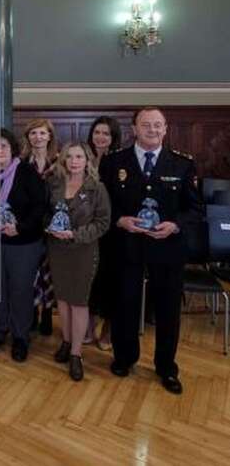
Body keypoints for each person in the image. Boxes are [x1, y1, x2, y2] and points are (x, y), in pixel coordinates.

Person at [100, 107, 201, 395]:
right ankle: (124, 358)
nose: (153, 130)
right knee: (124, 304)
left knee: (168, 310)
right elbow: (103, 205)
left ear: (166, 129)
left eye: (158, 125)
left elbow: (194, 209)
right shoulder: (113, 162)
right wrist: (119, 219)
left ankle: (166, 367)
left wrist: (175, 225)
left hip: (167, 248)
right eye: (146, 125)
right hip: (126, 245)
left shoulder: (182, 164)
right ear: (134, 128)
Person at [0, 129, 47, 362]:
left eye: (4, 146)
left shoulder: (26, 172)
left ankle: (20, 337)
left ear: (13, 149)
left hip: (23, 243)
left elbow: (40, 206)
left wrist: (21, 227)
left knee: (20, 290)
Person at [45, 142, 110, 381]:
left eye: (79, 157)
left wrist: (76, 234)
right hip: (57, 249)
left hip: (83, 250)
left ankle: (76, 354)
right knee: (62, 299)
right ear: (63, 160)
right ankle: (66, 340)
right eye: (69, 156)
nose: (74, 161)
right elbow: (46, 212)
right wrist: (49, 227)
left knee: (79, 301)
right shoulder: (54, 183)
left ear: (87, 160)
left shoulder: (97, 188)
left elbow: (103, 222)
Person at [86, 116, 122, 350]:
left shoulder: (120, 162)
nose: (100, 137)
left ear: (113, 138)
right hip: (86, 232)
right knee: (88, 282)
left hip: (112, 233)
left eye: (106, 134)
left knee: (110, 282)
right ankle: (87, 328)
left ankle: (108, 331)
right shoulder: (81, 157)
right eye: (97, 132)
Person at [20, 118, 59, 336]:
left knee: (49, 271)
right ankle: (33, 311)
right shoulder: (21, 162)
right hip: (30, 225)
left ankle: (47, 314)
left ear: (50, 136)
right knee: (31, 271)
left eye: (42, 133)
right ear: (28, 137)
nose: (38, 137)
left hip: (53, 224)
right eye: (33, 133)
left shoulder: (60, 161)